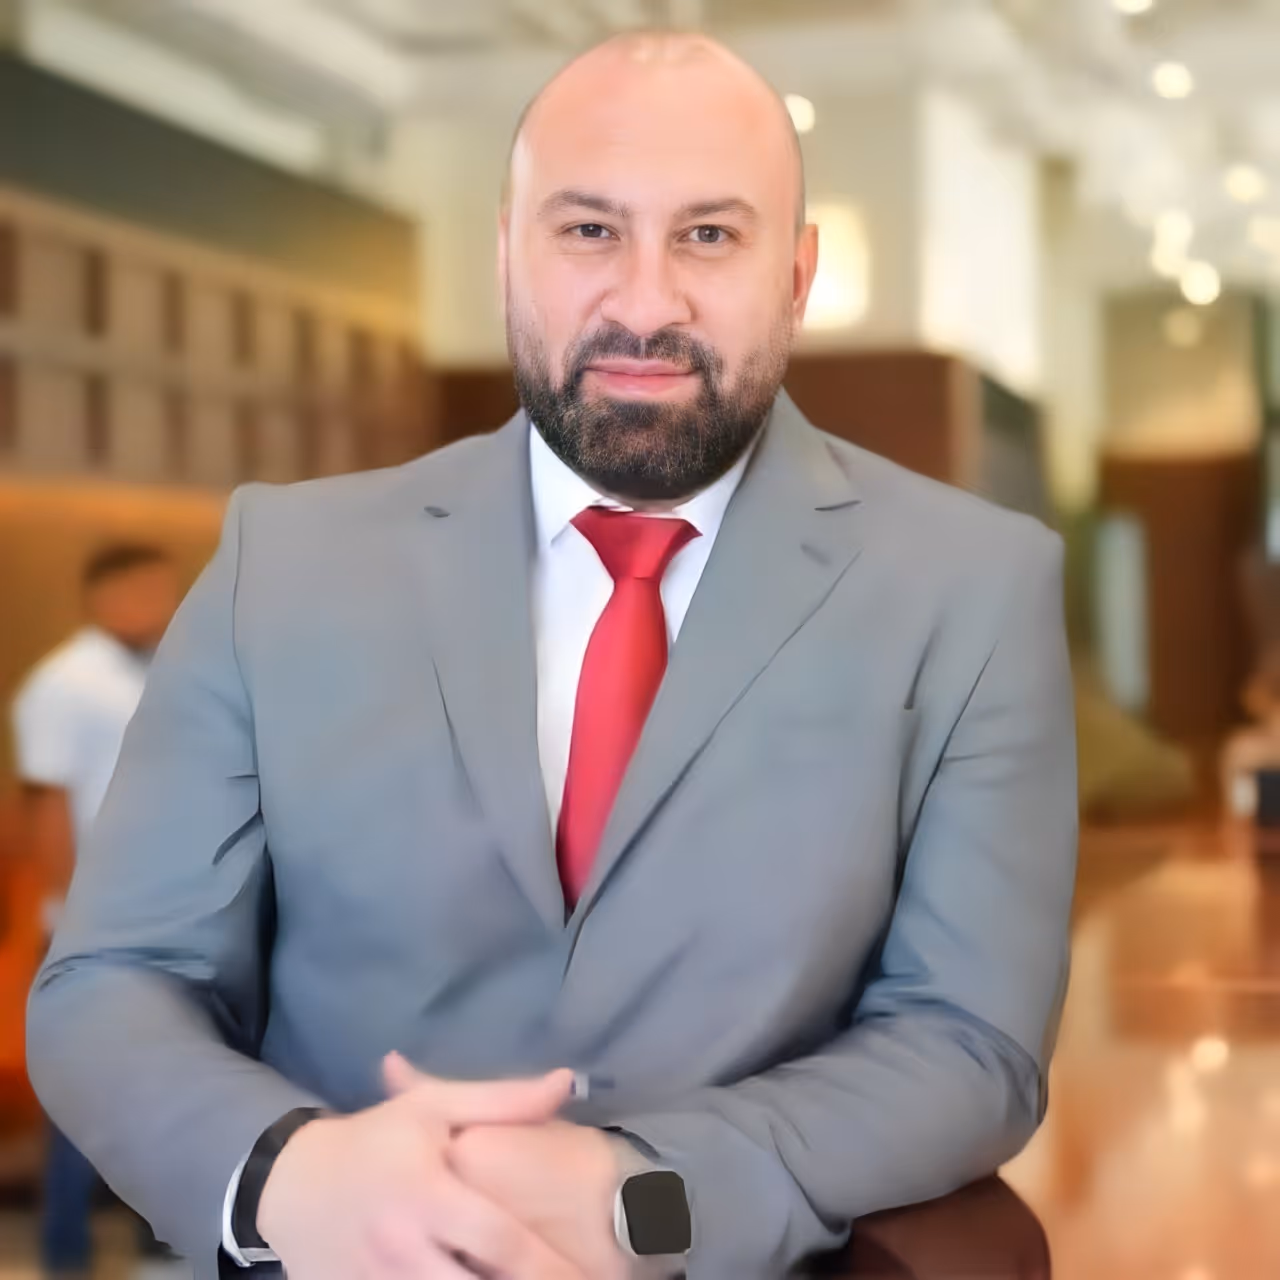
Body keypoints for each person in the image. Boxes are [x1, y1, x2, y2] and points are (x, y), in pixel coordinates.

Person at [27, 32, 1078, 1280]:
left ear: (795, 276)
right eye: (587, 231)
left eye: (708, 235)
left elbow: (968, 1042)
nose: (644, 303)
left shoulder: (973, 586)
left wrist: (644, 1196)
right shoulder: (280, 561)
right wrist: (284, 1176)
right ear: (505, 258)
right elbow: (113, 979)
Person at [12, 543, 178, 1278]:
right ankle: (65, 1249)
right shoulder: (64, 682)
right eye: (147, 591)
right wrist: (72, 913)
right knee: (83, 1087)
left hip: (161, 910)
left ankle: (157, 1240)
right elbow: (46, 804)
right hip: (95, 918)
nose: (162, 604)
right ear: (105, 596)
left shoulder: (159, 671)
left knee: (159, 1079)